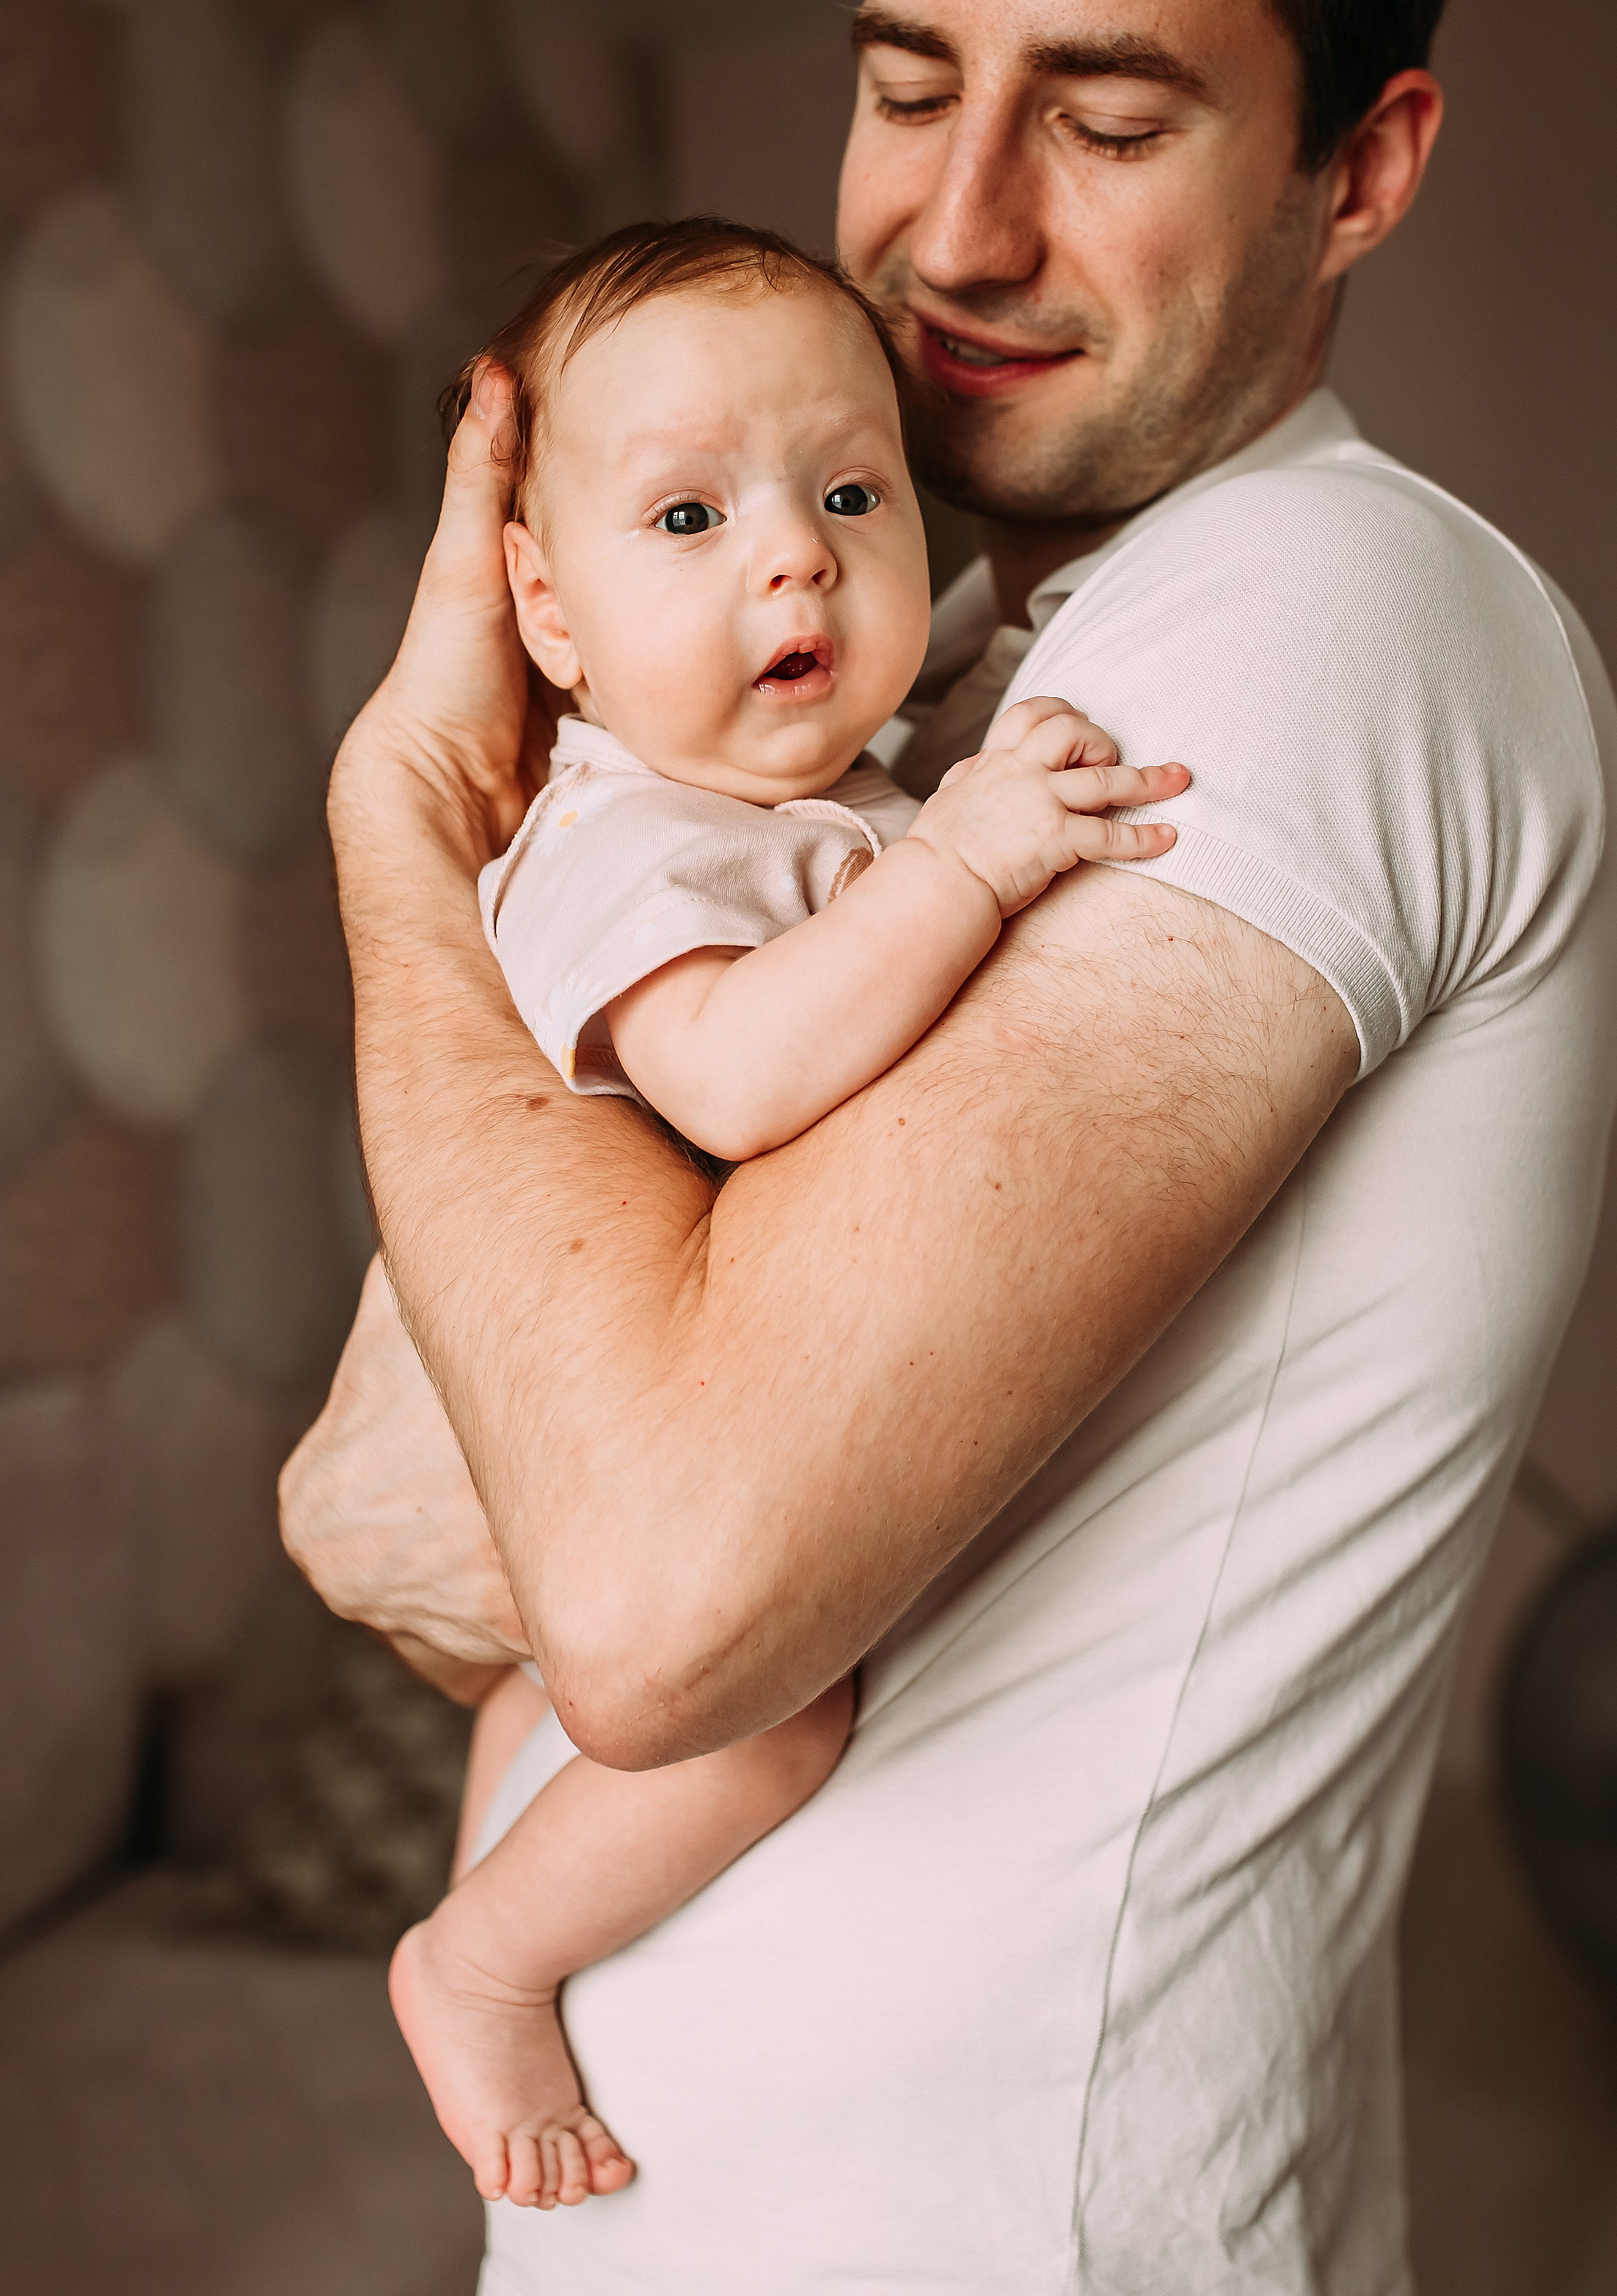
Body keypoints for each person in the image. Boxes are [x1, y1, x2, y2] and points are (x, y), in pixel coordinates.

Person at [282, 0, 1617, 2292]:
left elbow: (647, 1598)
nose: (953, 220)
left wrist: (393, 832)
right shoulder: (954, 695)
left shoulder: (1321, 611)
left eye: (1107, 112)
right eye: (910, 81)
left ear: (1361, 167)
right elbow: (386, 1507)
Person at [387, 214, 1184, 2212]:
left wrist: (963, 754)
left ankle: (505, 1840)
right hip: (594, 1432)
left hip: (672, 1417)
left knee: (567, 1711)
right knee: (770, 1715)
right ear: (549, 621)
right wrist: (973, 868)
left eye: (850, 490)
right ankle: (480, 1957)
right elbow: (735, 1071)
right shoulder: (615, 839)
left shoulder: (817, 793)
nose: (795, 553)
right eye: (688, 512)